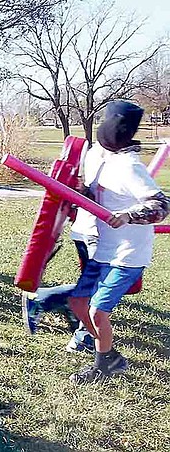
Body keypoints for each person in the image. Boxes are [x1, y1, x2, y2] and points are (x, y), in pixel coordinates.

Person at [67, 100, 169, 384]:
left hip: (128, 255)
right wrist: (74, 190)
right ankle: (109, 354)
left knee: (97, 309)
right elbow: (94, 197)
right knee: (77, 303)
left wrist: (129, 215)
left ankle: (103, 365)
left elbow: (161, 206)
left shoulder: (129, 167)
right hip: (104, 250)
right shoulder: (106, 160)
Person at [20, 142, 106, 355]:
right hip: (96, 233)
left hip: (89, 230)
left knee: (94, 286)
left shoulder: (99, 152)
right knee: (99, 288)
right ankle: (81, 336)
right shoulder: (109, 158)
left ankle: (65, 308)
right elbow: (98, 195)